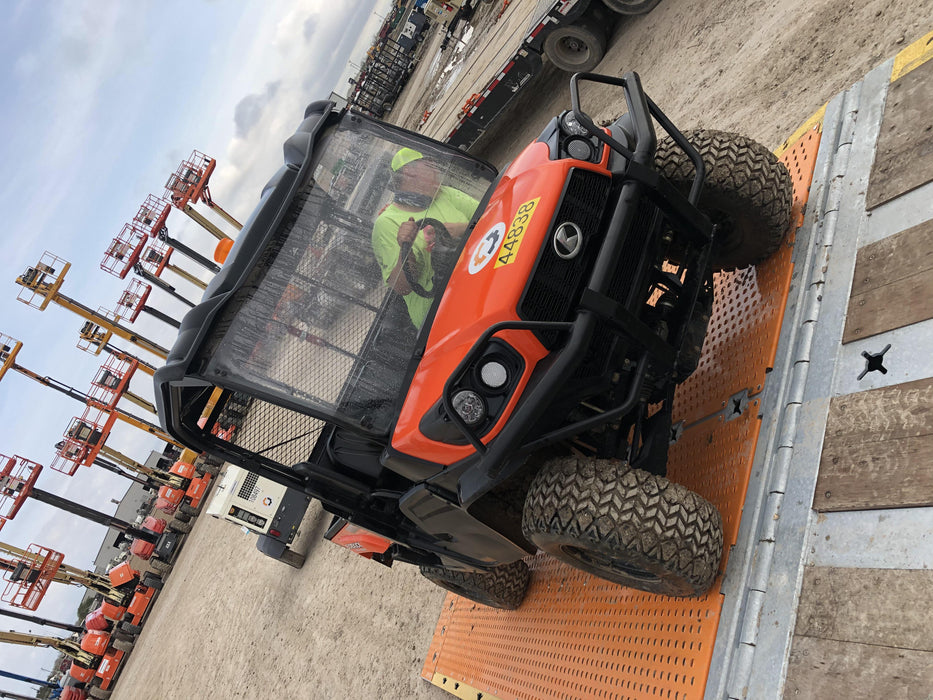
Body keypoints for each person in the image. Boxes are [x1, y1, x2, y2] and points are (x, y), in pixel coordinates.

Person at [372, 147, 478, 327]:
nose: (438, 171)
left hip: (476, 274)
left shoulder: (444, 193)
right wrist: (405, 248)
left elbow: (493, 212)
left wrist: (463, 229)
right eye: (431, 166)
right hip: (440, 312)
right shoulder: (387, 223)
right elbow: (402, 287)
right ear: (409, 171)